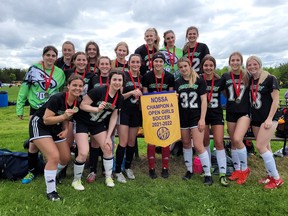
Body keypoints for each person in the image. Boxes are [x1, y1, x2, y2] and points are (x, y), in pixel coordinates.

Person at [29, 74, 84, 201]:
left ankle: (52, 175)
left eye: (80, 86)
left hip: (56, 126)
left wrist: (65, 129)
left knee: (65, 158)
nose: (77, 88)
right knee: (54, 156)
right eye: (74, 85)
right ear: (68, 86)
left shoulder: (77, 100)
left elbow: (67, 116)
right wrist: (64, 117)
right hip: (41, 124)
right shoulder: (57, 98)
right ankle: (51, 191)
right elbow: (47, 119)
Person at [16, 45, 66, 184]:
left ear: (56, 58)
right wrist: (19, 107)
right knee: (33, 143)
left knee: (51, 138)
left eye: (53, 56)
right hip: (35, 109)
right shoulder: (33, 68)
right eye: (48, 55)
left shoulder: (60, 73)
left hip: (51, 110)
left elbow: (61, 92)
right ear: (43, 56)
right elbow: (25, 88)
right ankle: (31, 171)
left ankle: (51, 168)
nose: (50, 58)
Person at [72, 70, 124, 190]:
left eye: (120, 80)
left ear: (122, 82)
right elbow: (82, 105)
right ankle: (76, 180)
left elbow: (114, 116)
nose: (117, 82)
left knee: (108, 147)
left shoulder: (119, 98)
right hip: (82, 122)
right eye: (115, 79)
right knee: (84, 152)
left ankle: (108, 177)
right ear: (110, 80)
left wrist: (108, 136)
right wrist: (96, 109)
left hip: (97, 124)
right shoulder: (98, 91)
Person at [247, 56, 284, 189]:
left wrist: (269, 118)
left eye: (254, 64)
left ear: (259, 64)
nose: (252, 67)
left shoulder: (270, 78)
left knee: (260, 147)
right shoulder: (251, 79)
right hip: (256, 118)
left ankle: (277, 178)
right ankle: (270, 175)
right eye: (249, 65)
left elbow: (275, 100)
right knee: (266, 148)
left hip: (268, 118)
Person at [175, 57, 212, 185]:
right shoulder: (177, 82)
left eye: (185, 66)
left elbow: (203, 101)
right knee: (185, 143)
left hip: (196, 117)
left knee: (198, 145)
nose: (183, 69)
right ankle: (189, 170)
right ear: (178, 69)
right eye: (181, 67)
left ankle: (208, 174)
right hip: (183, 116)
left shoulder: (199, 81)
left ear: (190, 66)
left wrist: (202, 118)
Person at [142, 52, 174, 179]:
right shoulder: (147, 76)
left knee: (165, 139)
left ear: (164, 63)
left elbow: (171, 96)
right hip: (152, 112)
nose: (158, 63)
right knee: (151, 140)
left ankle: (165, 167)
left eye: (161, 61)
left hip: (165, 112)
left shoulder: (170, 77)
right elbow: (144, 96)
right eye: (156, 61)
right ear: (152, 63)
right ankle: (151, 168)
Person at [220, 52, 251, 185]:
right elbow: (221, 90)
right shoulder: (226, 76)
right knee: (233, 141)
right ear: (229, 62)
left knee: (238, 139)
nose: (235, 63)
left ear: (241, 62)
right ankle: (237, 169)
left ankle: (244, 170)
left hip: (244, 112)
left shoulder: (247, 75)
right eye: (233, 60)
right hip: (231, 111)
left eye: (238, 60)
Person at [114, 54, 143, 183]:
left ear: (140, 64)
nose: (135, 64)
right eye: (133, 62)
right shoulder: (124, 76)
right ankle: (118, 170)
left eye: (138, 62)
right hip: (124, 112)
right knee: (123, 142)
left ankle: (128, 167)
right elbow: (118, 96)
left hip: (136, 112)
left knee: (132, 142)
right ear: (129, 63)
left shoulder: (142, 78)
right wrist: (131, 92)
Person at [201, 55, 228, 186]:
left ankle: (223, 173)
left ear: (214, 67)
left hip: (217, 114)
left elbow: (229, 92)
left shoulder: (220, 80)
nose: (208, 68)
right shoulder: (199, 80)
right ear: (202, 67)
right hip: (203, 115)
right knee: (205, 141)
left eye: (211, 65)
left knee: (218, 142)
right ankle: (208, 168)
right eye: (206, 65)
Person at [86, 56, 112, 184]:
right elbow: (88, 95)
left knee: (107, 142)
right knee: (95, 143)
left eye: (107, 64)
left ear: (110, 65)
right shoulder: (93, 78)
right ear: (98, 65)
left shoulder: (114, 77)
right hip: (96, 115)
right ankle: (93, 170)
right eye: (102, 64)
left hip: (110, 114)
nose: (105, 66)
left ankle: (105, 169)